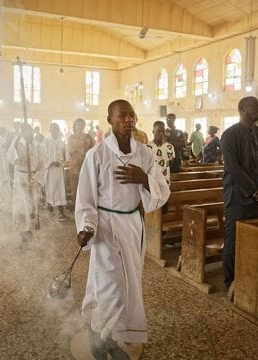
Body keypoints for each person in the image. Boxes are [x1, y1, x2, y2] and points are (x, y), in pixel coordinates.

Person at [75, 99, 170, 359]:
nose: (128, 119)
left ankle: (112, 336)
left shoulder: (144, 154)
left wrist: (144, 179)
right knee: (108, 285)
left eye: (131, 115)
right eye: (122, 115)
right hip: (105, 227)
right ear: (110, 120)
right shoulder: (96, 155)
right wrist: (86, 227)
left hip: (131, 225)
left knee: (128, 283)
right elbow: (85, 198)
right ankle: (99, 333)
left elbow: (162, 191)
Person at [220, 96, 258, 289]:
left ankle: (251, 277)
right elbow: (234, 168)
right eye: (254, 105)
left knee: (257, 240)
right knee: (234, 240)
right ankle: (231, 281)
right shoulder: (230, 135)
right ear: (242, 108)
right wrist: (254, 191)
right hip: (238, 197)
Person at [8, 123, 41, 249]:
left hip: (33, 179)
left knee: (32, 207)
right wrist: (17, 140)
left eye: (30, 131)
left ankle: (29, 232)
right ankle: (24, 237)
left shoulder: (36, 145)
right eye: (25, 131)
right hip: (21, 178)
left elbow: (41, 165)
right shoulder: (18, 144)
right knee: (23, 208)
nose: (29, 134)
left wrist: (37, 178)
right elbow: (12, 158)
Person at [43, 123, 69, 221]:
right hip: (50, 170)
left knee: (60, 190)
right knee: (51, 189)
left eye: (56, 129)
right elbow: (43, 156)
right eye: (53, 129)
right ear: (50, 130)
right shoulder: (46, 142)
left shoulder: (61, 142)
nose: (55, 131)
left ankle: (61, 213)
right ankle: (50, 209)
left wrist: (63, 162)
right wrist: (51, 163)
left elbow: (64, 155)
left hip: (59, 170)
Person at [67, 118, 95, 202]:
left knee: (87, 183)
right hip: (75, 164)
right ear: (75, 126)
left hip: (87, 162)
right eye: (78, 125)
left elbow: (92, 149)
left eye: (82, 124)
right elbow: (70, 150)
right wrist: (78, 156)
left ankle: (86, 202)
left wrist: (86, 156)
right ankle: (76, 203)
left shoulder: (88, 137)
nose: (80, 126)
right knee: (75, 183)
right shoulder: (71, 137)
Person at [146, 121, 175, 185]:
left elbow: (170, 162)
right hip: (152, 180)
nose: (161, 134)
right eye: (158, 131)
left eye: (163, 131)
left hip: (165, 179)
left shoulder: (169, 147)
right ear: (153, 132)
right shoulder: (147, 147)